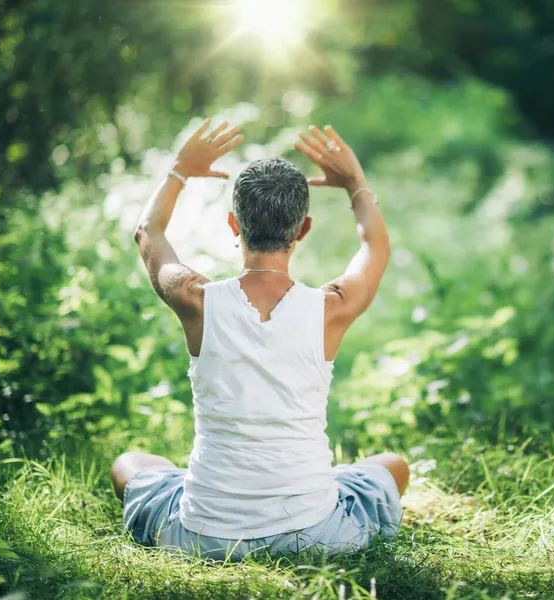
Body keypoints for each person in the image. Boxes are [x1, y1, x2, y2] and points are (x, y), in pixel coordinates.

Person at [111, 117, 410, 561]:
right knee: (393, 466)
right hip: (316, 534)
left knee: (129, 464)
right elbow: (375, 248)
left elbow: (148, 233)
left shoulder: (196, 299)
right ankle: (324, 488)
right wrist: (355, 183)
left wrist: (179, 169)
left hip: (202, 535)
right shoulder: (332, 308)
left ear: (235, 224)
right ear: (303, 229)